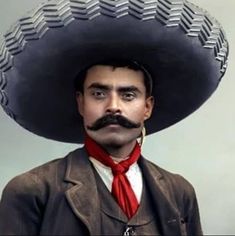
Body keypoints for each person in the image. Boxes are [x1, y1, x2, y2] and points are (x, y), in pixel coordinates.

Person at [0, 0, 229, 235]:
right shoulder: (31, 191)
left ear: (147, 107)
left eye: (128, 95)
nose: (113, 107)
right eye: (98, 94)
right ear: (81, 103)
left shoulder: (180, 192)